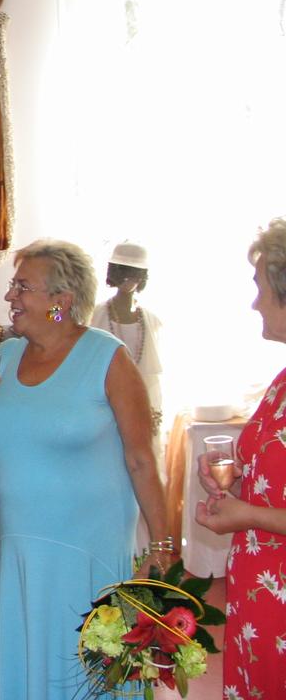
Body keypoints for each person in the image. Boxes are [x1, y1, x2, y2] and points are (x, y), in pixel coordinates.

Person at [0, 239, 169, 700]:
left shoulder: (107, 358)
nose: (10, 296)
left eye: (23, 287)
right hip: (23, 550)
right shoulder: (5, 356)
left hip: (88, 552)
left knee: (87, 673)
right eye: (13, 285)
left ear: (62, 301)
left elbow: (141, 459)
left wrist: (163, 545)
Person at [195, 218, 286, 699]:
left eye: (260, 288)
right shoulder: (281, 381)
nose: (255, 303)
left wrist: (246, 513)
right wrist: (232, 483)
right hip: (259, 598)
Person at [90, 242, 164, 460]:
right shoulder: (94, 314)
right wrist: (54, 306)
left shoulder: (152, 321)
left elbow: (153, 380)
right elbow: (55, 319)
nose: (128, 279)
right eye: (122, 271)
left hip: (142, 405)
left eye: (134, 273)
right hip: (103, 404)